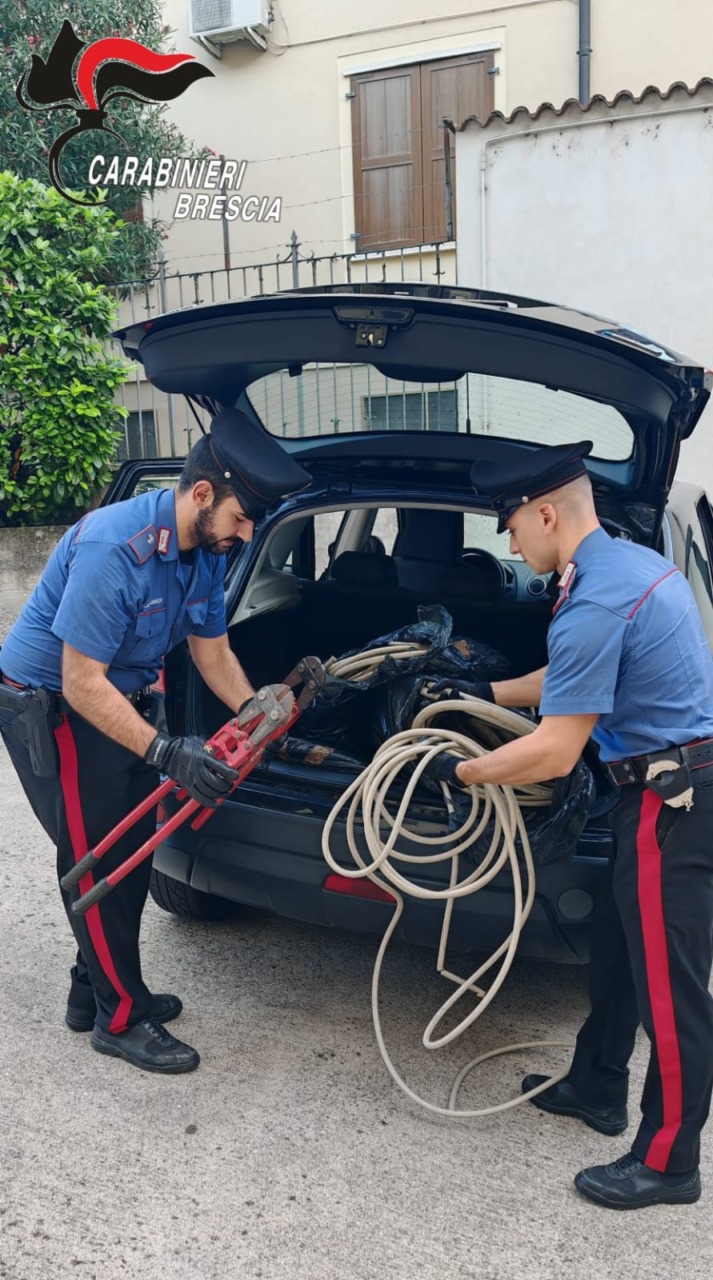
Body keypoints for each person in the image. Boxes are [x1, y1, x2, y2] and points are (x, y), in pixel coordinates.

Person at [430, 440, 713, 1210]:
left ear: (546, 512)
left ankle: (668, 1163)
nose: (508, 543)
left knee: (670, 989)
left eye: (513, 527)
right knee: (618, 956)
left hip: (672, 801)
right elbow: (570, 678)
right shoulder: (617, 568)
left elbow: (555, 753)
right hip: (656, 787)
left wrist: (459, 771)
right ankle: (595, 1087)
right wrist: (478, 686)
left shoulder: (594, 596)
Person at [0, 409, 310, 1075]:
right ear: (201, 494)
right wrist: (166, 752)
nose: (247, 532)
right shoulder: (115, 549)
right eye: (242, 516)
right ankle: (119, 1019)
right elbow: (81, 683)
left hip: (125, 700)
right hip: (56, 705)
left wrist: (259, 715)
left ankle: (96, 990)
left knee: (131, 855)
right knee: (97, 859)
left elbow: (212, 651)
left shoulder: (204, 548)